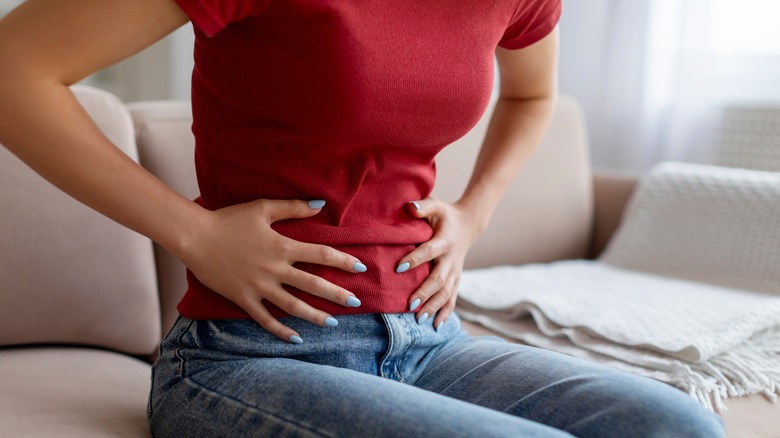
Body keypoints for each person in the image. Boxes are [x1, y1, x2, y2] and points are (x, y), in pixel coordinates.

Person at [0, 0, 724, 436]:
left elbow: (533, 97)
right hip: (251, 358)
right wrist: (195, 234)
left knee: (676, 425)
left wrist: (472, 216)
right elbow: (14, 69)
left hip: (431, 343)